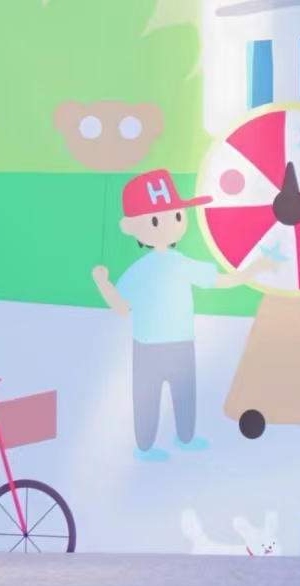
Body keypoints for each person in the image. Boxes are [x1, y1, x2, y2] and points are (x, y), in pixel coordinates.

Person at [91, 170, 266, 461]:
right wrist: (103, 283)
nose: (170, 224)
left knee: (184, 394)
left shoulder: (182, 264)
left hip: (181, 343)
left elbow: (217, 280)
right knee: (147, 398)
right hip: (149, 347)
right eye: (156, 220)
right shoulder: (139, 271)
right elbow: (121, 306)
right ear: (130, 227)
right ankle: (145, 447)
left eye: (176, 215)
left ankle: (185, 437)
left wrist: (250, 272)